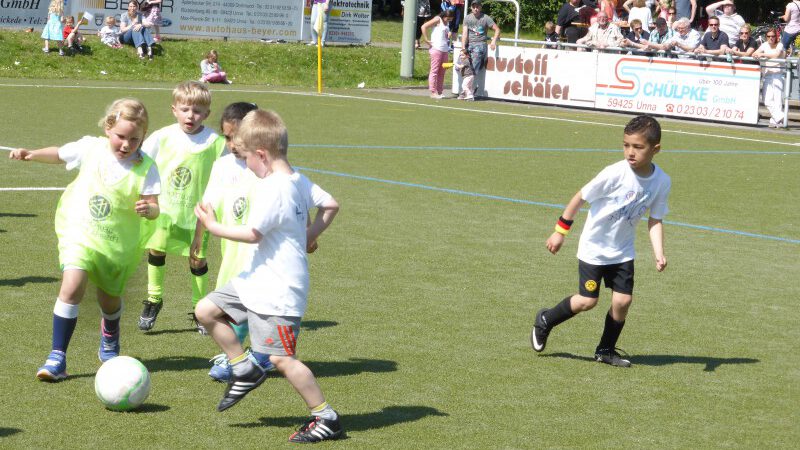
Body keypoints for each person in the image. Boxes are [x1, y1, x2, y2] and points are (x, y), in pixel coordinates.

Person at [194, 109, 342, 443]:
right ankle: (243, 367)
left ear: (261, 155)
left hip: (280, 290)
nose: (244, 163)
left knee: (282, 359)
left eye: (245, 157)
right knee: (206, 311)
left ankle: (326, 417)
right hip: (256, 280)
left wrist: (213, 226)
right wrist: (309, 235)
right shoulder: (296, 178)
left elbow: (254, 234)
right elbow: (330, 204)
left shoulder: (275, 188)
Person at [9, 98, 161, 381]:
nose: (126, 145)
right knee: (72, 285)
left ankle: (110, 332)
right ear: (108, 128)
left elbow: (154, 206)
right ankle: (57, 357)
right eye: (120, 137)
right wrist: (32, 154)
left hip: (116, 244)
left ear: (143, 138)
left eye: (134, 139)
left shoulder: (146, 166)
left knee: (109, 300)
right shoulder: (90, 148)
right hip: (80, 232)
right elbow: (59, 154)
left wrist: (148, 209)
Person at [532, 115, 671, 368]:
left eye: (638, 147)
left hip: (623, 251)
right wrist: (560, 232)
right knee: (588, 301)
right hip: (594, 249)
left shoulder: (662, 181)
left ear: (656, 149)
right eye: (626, 145)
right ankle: (546, 319)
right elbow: (580, 197)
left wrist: (658, 252)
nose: (630, 152)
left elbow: (655, 219)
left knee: (623, 301)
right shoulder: (614, 173)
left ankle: (605, 350)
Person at [138, 81, 227, 333]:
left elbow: (229, 173)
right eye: (185, 109)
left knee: (197, 260)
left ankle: (201, 310)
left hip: (198, 213)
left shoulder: (216, 142)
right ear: (174, 109)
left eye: (198, 111)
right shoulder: (162, 136)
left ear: (207, 114)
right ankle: (154, 299)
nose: (191, 115)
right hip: (164, 210)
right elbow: (142, 161)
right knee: (156, 250)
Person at [461, 0, 500, 97]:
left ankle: (468, 90)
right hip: (469, 45)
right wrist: (463, 47)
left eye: (477, 7)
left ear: (481, 7)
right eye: (474, 7)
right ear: (471, 7)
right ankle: (468, 88)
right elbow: (465, 34)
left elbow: (497, 29)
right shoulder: (467, 18)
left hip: (480, 44)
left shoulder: (486, 18)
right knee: (462, 66)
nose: (476, 9)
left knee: (472, 68)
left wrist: (493, 41)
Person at [753, 29, 787, 128]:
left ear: (776, 37)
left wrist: (763, 54)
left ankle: (776, 121)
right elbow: (754, 53)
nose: (771, 38)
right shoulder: (764, 45)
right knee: (766, 99)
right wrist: (758, 55)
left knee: (777, 100)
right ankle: (781, 117)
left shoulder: (780, 45)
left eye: (772, 36)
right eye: (768, 36)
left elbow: (776, 55)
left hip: (778, 74)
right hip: (767, 74)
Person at [421, 8, 455, 99]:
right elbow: (424, 26)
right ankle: (433, 92)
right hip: (436, 49)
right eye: (448, 19)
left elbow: (443, 35)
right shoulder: (437, 19)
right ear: (443, 16)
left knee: (442, 71)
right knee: (434, 71)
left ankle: (439, 91)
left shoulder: (446, 23)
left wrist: (448, 35)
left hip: (445, 49)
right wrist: (426, 39)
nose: (449, 21)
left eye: (451, 19)